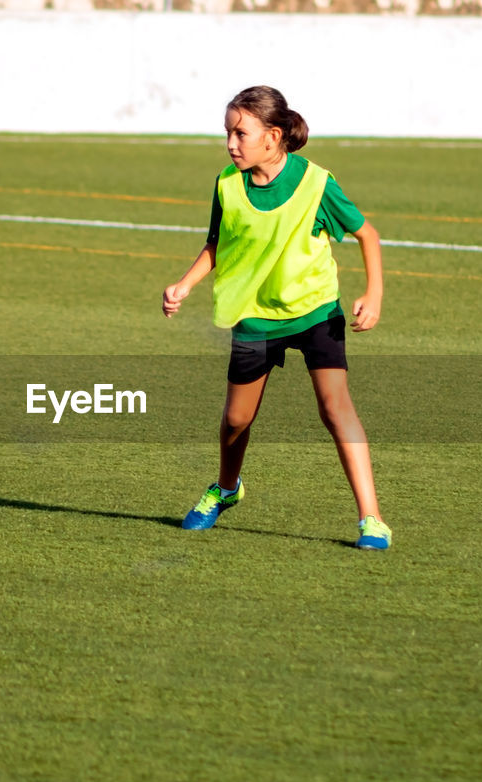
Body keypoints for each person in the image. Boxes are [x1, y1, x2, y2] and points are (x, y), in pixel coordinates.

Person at [162, 85, 392, 551]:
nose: (231, 143)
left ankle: (372, 519)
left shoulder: (317, 183)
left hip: (314, 311)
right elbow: (215, 245)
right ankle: (226, 489)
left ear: (273, 135)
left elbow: (368, 234)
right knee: (235, 420)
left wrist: (374, 292)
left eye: (240, 133)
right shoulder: (227, 183)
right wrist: (185, 284)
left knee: (335, 408)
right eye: (227, 133)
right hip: (254, 317)